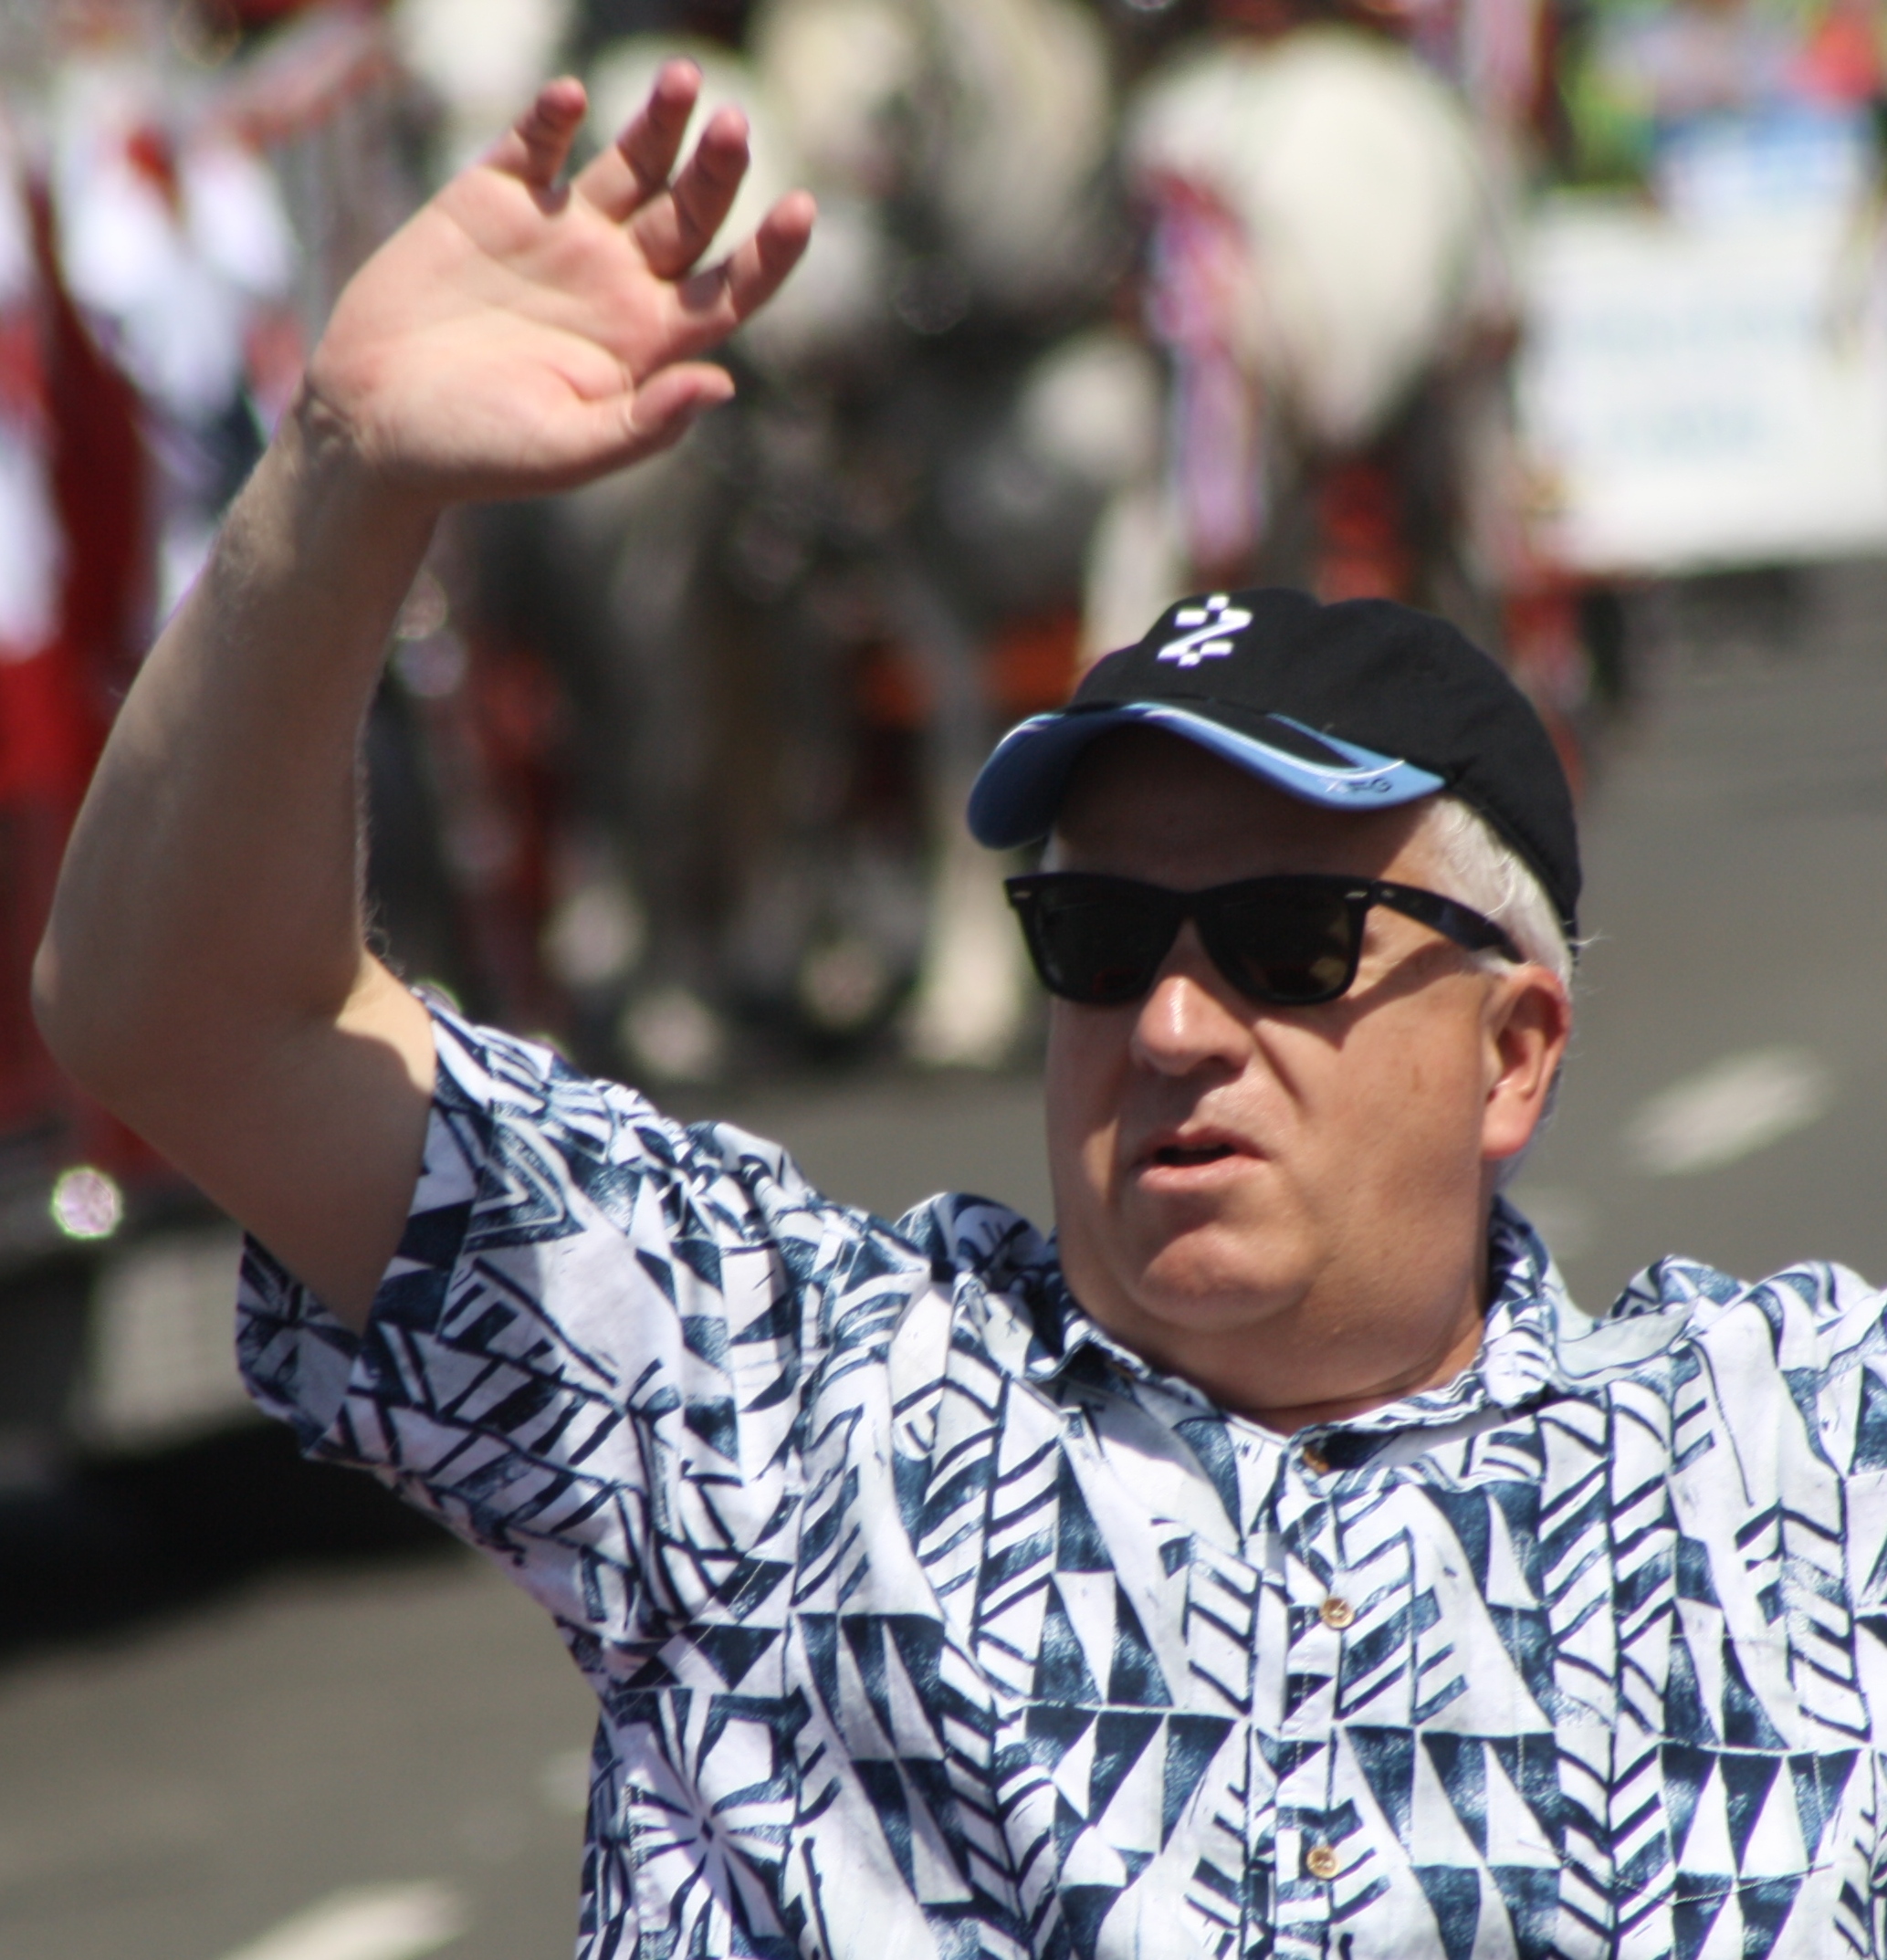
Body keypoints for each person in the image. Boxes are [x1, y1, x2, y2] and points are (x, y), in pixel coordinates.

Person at [30, 62, 1887, 1960]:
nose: (1171, 1027)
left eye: (1285, 942)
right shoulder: (778, 1401)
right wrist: (344, 475)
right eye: (1099, 937)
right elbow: (189, 1021)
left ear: (1513, 1056)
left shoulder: (1795, 1459)